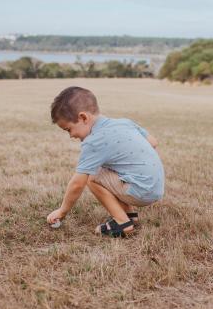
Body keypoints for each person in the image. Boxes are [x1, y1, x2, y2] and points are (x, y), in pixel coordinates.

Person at [46, 86, 164, 237]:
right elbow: (153, 142)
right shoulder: (124, 122)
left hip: (142, 191)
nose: (71, 136)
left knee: (92, 177)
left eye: (69, 129)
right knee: (105, 168)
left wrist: (62, 211)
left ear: (83, 118)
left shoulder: (94, 142)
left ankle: (123, 223)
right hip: (155, 186)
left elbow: (77, 184)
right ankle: (129, 215)